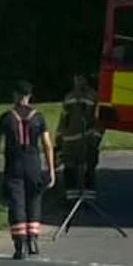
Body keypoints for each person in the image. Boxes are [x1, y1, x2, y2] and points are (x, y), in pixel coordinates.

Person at [0, 80, 56, 260]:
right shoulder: (38, 117)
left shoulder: (6, 117)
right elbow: (47, 145)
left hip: (14, 163)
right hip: (33, 163)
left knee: (16, 203)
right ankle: (33, 240)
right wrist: (51, 170)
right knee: (34, 199)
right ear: (29, 96)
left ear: (14, 95)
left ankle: (20, 246)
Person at [54, 74, 103, 202]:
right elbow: (63, 120)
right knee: (69, 168)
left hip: (88, 140)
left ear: (86, 79)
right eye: (76, 78)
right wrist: (59, 140)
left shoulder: (94, 97)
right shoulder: (69, 97)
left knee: (89, 168)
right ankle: (71, 198)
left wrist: (95, 139)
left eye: (80, 78)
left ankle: (89, 199)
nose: (78, 81)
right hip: (70, 141)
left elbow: (100, 121)